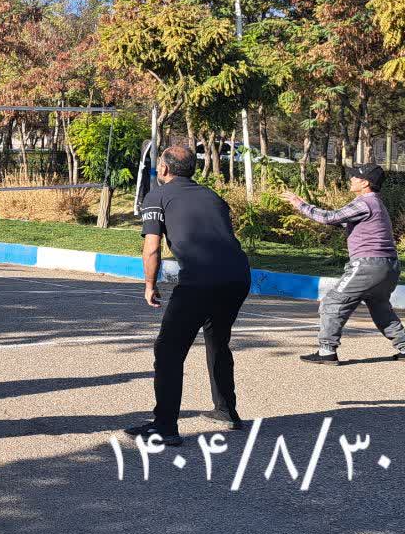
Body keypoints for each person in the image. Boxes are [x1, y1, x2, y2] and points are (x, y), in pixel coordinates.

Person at [124, 145, 253, 446]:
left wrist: (149, 284)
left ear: (165, 169)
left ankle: (165, 426)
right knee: (218, 341)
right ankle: (226, 411)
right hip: (237, 277)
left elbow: (152, 248)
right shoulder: (212, 195)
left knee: (168, 350)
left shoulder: (157, 196)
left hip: (200, 280)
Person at [282, 164, 403, 364]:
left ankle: (327, 351)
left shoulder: (364, 202)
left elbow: (328, 218)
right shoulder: (376, 204)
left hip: (368, 265)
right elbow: (341, 221)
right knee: (381, 308)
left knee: (332, 302)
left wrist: (300, 204)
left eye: (355, 177)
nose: (351, 179)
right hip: (389, 266)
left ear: (365, 183)